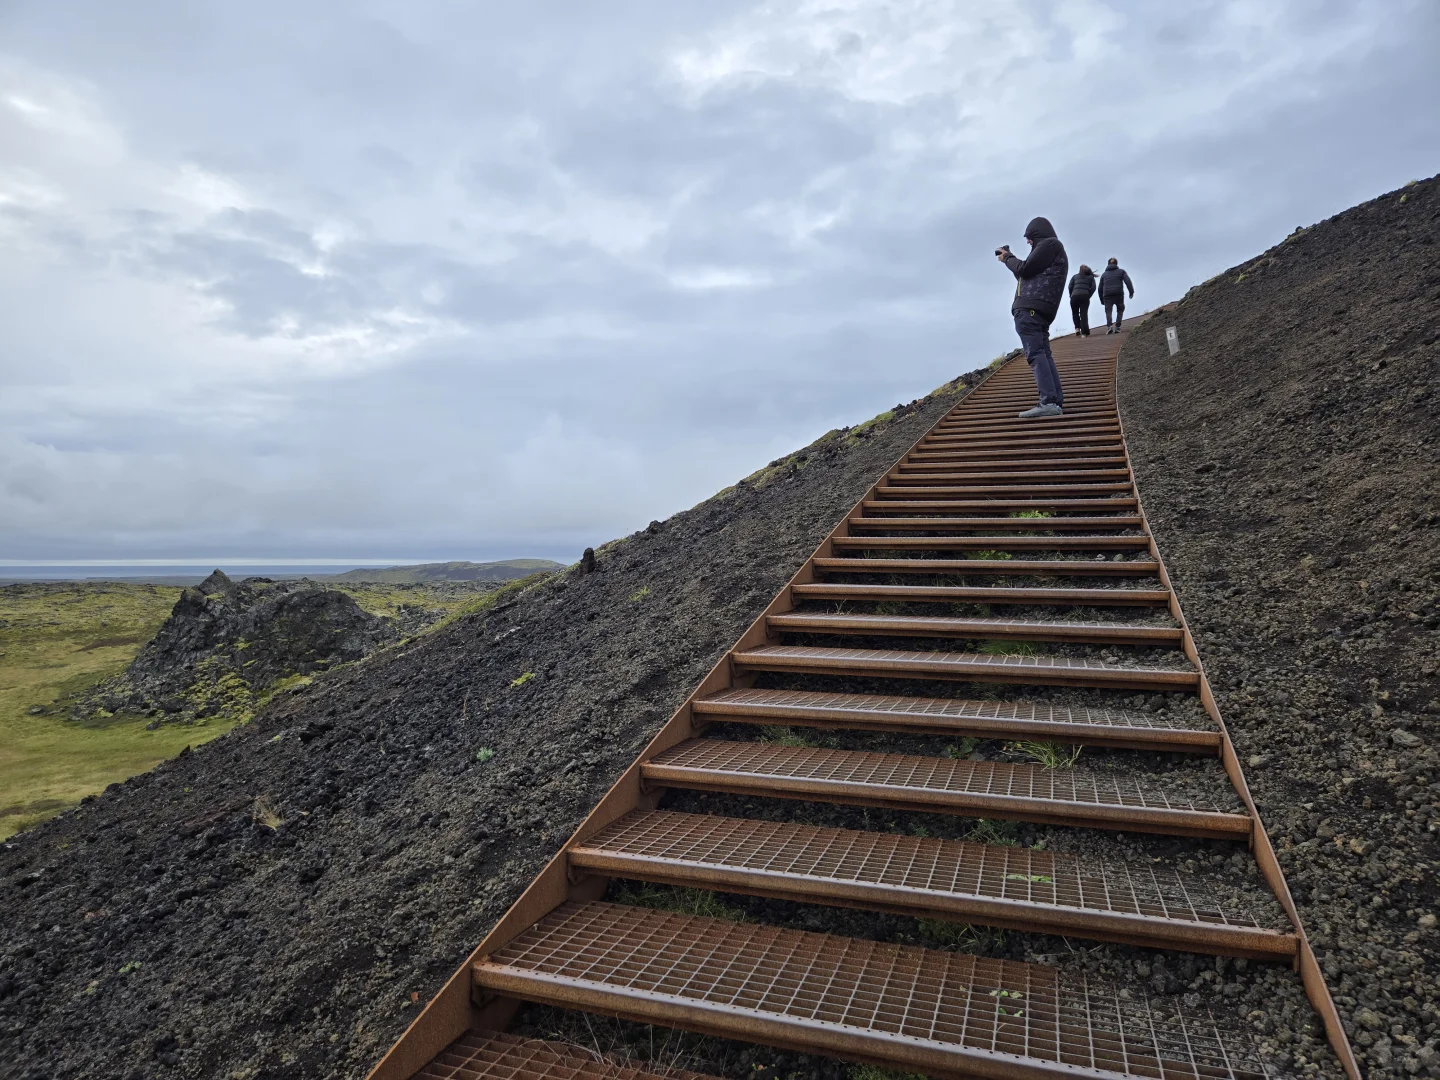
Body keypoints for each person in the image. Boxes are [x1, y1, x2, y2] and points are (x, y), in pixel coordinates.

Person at [996, 216, 1068, 418]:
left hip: (1030, 310)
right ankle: (1054, 400)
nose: (1028, 242)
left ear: (1037, 233)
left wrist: (1008, 257)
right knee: (1043, 353)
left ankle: (1048, 402)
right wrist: (1009, 260)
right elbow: (1025, 274)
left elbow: (1024, 269)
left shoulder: (1050, 244)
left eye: (1029, 238)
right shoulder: (1052, 250)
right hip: (1040, 310)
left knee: (1035, 354)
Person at [1098, 257, 1135, 333]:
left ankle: (1109, 327)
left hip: (1107, 295)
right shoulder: (1121, 272)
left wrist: (1102, 300)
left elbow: (1100, 288)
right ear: (1116, 264)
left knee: (1108, 311)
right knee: (1120, 310)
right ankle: (1117, 327)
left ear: (1108, 264)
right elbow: (1128, 281)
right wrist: (1131, 292)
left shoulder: (1104, 275)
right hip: (1119, 294)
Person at [1068, 264, 1096, 337]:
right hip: (1085, 296)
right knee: (1083, 314)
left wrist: (1071, 294)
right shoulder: (1091, 277)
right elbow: (1093, 287)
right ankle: (1084, 332)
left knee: (1075, 313)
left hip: (1074, 296)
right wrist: (1088, 295)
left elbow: (1070, 286)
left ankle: (1077, 328)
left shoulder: (1075, 276)